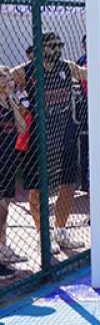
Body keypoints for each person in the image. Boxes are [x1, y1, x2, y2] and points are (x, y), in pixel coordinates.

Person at [12, 32, 87, 253]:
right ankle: (41, 235)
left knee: (68, 184)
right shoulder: (26, 71)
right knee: (37, 189)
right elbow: (5, 78)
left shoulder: (67, 67)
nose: (57, 50)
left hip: (64, 135)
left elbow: (89, 74)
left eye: (59, 46)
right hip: (39, 138)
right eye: (52, 46)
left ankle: (60, 231)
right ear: (40, 48)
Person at [0, 67, 27, 265]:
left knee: (6, 207)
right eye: (5, 78)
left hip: (9, 159)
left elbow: (22, 128)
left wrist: (11, 101)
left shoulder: (9, 103)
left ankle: (3, 246)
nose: (9, 81)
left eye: (10, 78)